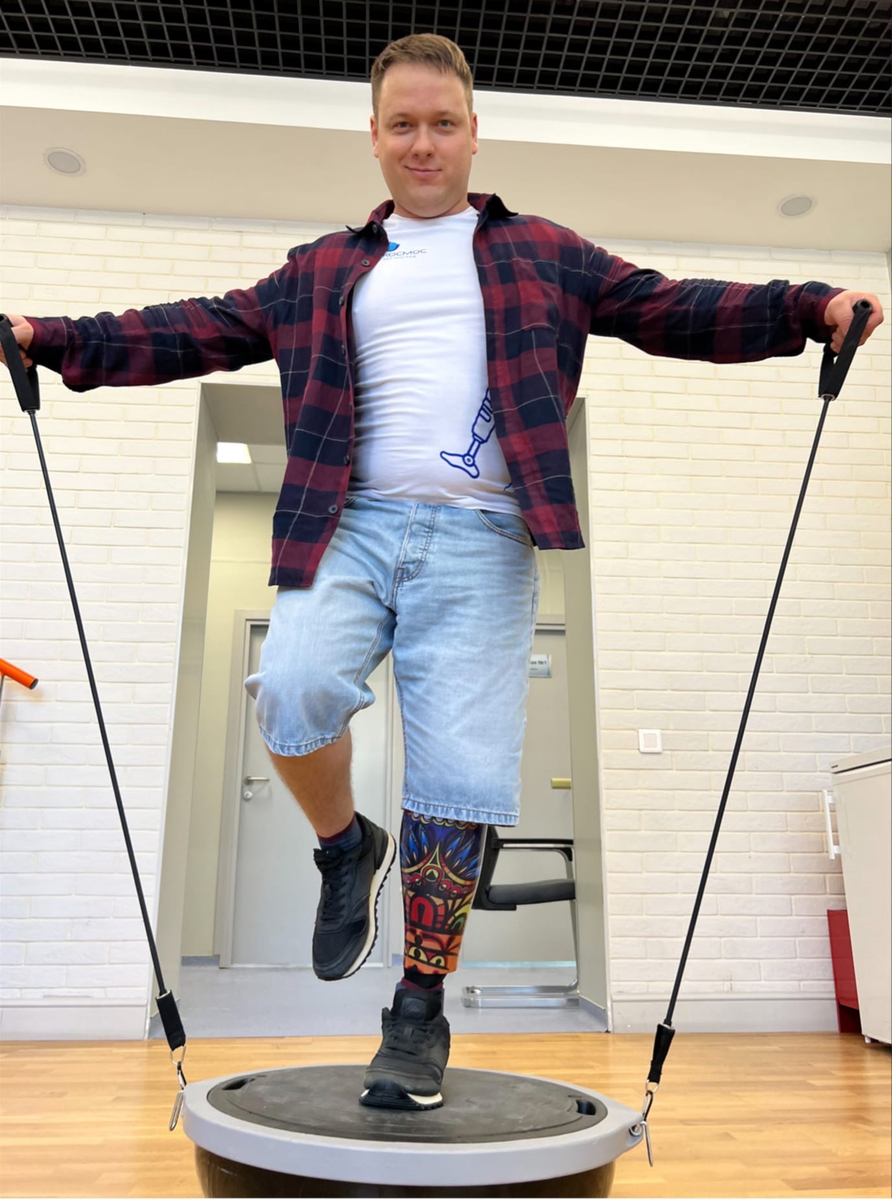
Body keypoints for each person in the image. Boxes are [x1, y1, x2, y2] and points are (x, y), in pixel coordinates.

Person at [0, 33, 883, 1113]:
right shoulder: (321, 269)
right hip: (348, 522)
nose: (424, 143)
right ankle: (345, 847)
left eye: (443, 123)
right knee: (292, 691)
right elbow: (193, 329)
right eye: (403, 125)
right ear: (374, 138)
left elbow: (673, 305)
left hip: (483, 536)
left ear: (474, 134)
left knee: (458, 781)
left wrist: (805, 305)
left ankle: (417, 1010)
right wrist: (51, 336)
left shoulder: (545, 253)